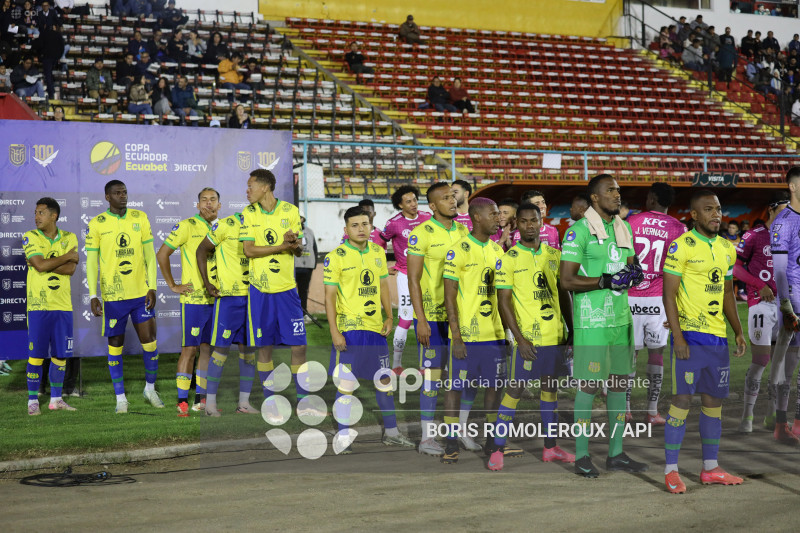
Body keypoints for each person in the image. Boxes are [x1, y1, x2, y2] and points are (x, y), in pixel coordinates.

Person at [560, 173, 647, 478]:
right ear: (595, 198)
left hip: (620, 319)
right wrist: (605, 281)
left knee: (619, 384)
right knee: (589, 386)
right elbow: (566, 280)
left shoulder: (623, 228)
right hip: (593, 322)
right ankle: (582, 455)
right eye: (610, 190)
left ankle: (616, 453)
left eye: (618, 190)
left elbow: (632, 264)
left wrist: (635, 272)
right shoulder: (579, 231)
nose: (617, 194)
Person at [662, 189, 746, 494]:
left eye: (718, 209)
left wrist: (737, 330)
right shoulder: (681, 246)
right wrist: (678, 336)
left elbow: (726, 293)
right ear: (694, 215)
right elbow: (668, 294)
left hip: (717, 339)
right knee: (682, 400)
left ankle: (710, 468)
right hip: (690, 336)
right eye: (708, 209)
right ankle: (671, 471)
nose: (716, 214)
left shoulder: (726, 248)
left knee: (713, 402)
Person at [487, 202, 576, 470]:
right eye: (524, 221)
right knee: (514, 391)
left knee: (550, 390)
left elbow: (564, 294)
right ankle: (497, 449)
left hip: (555, 338)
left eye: (533, 220)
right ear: (517, 224)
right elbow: (503, 302)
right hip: (528, 340)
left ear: (541, 222)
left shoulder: (555, 255)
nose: (529, 225)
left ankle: (550, 448)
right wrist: (520, 339)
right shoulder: (509, 258)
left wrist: (572, 330)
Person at [324, 207, 415, 454]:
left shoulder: (377, 252)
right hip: (350, 330)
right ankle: (343, 437)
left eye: (365, 224)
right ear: (346, 229)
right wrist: (334, 332)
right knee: (346, 384)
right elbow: (329, 297)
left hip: (375, 329)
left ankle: (392, 433)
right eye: (355, 225)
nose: (361, 229)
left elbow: (384, 285)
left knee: (384, 381)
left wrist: (389, 316)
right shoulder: (336, 256)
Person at [86, 180, 163, 413]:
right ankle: (120, 398)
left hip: (140, 294)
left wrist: (153, 287)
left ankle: (150, 389)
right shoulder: (97, 223)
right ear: (107, 197)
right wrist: (93, 295)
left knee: (150, 343)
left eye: (125, 192)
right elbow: (92, 262)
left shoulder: (140, 218)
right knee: (115, 347)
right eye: (117, 193)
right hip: (114, 297)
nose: (123, 196)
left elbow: (150, 255)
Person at [440, 197, 506, 464]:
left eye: (498, 214)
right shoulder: (458, 250)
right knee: (455, 388)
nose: (498, 219)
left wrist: (508, 334)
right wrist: (456, 336)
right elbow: (449, 297)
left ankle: (491, 440)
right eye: (493, 214)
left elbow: (504, 297)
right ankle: (450, 441)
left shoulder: (497, 250)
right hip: (466, 336)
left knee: (494, 387)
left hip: (494, 335)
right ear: (477, 217)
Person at [407, 182, 470, 456]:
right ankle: (427, 438)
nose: (452, 201)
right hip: (432, 317)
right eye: (445, 198)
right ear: (432, 206)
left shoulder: (464, 231)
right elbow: (413, 280)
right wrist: (420, 320)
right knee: (432, 378)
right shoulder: (420, 234)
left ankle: (460, 432)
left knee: (462, 377)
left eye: (453, 196)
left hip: (461, 317)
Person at [240, 169, 309, 407]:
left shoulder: (290, 211)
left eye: (250, 186)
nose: (247, 191)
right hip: (260, 290)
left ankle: (303, 402)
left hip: (287, 289)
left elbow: (298, 250)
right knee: (264, 347)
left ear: (265, 187)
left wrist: (294, 244)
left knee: (299, 345)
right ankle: (271, 403)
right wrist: (282, 246)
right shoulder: (248, 213)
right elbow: (249, 250)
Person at [156, 188, 220, 416]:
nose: (208, 204)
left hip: (216, 299)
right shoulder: (186, 226)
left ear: (219, 205)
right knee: (189, 349)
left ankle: (200, 400)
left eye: (213, 200)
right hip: (193, 299)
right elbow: (162, 254)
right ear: (197, 205)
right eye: (204, 200)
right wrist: (173, 285)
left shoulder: (223, 228)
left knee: (207, 350)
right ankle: (182, 401)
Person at [626, 183, 687, 425]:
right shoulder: (679, 228)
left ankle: (625, 410)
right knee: (656, 352)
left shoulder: (631, 222)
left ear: (651, 198)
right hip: (660, 299)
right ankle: (652, 412)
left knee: (629, 353)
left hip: (630, 296)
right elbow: (681, 269)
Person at [195, 210, 260, 416]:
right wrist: (207, 283)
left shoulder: (261, 224)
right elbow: (201, 250)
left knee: (249, 352)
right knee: (220, 351)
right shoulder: (226, 224)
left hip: (253, 297)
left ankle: (244, 404)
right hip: (229, 298)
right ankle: (210, 405)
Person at [736, 192, 789, 434]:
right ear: (771, 209)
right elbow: (736, 267)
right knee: (761, 361)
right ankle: (747, 416)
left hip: (786, 306)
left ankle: (772, 416)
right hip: (761, 304)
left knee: (781, 364)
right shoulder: (754, 236)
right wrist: (759, 285)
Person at [23, 197, 79, 415]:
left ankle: (56, 399)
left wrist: (44, 264)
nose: (36, 217)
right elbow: (39, 264)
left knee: (60, 355)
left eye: (41, 213)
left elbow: (70, 270)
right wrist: (66, 257)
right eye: (35, 213)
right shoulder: (30, 236)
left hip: (63, 306)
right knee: (36, 355)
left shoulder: (69, 237)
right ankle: (32, 401)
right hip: (39, 306)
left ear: (53, 216)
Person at [379, 185, 432, 373]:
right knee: (406, 318)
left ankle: (425, 365)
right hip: (405, 275)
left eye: (415, 200)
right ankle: (396, 365)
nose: (413, 204)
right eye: (408, 202)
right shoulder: (393, 223)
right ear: (400, 205)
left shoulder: (427, 218)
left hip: (427, 274)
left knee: (427, 318)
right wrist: (382, 265)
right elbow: (380, 242)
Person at [767, 167, 800, 443]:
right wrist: (787, 308)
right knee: (788, 366)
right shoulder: (783, 222)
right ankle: (780, 423)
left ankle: (797, 422)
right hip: (794, 299)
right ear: (792, 187)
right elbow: (779, 270)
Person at [294, 212, 317, 324]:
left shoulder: (310, 231)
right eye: (297, 217)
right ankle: (294, 314)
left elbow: (314, 248)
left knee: (304, 291)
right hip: (295, 266)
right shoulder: (291, 231)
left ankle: (304, 314)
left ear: (303, 219)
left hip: (307, 266)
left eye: (301, 217)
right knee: (292, 291)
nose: (299, 219)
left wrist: (314, 264)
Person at [36, 24, 64, 99]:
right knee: (49, 75)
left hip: (47, 57)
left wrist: (39, 57)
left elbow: (39, 45)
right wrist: (58, 56)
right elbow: (62, 47)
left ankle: (51, 93)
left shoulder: (43, 34)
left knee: (48, 75)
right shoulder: (58, 34)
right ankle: (51, 90)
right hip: (55, 58)